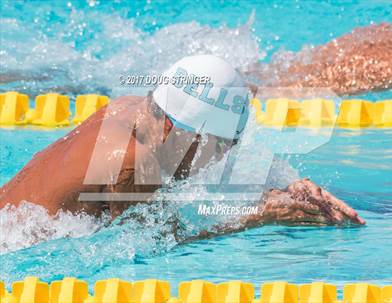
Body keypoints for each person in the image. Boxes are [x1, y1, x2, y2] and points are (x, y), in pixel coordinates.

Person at [0, 53, 365, 236]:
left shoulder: (135, 109)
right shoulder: (130, 162)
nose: (223, 156)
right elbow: (150, 241)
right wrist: (258, 216)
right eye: (219, 146)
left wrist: (285, 187)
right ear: (179, 129)